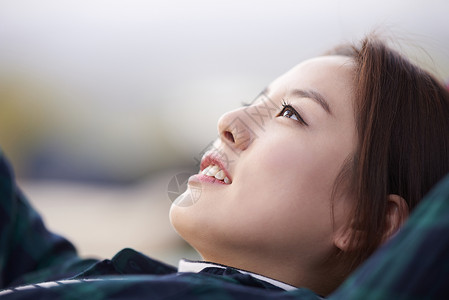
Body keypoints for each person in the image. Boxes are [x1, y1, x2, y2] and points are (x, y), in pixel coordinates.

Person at [1, 34, 449, 299]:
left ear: (369, 220)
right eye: (251, 103)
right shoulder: (105, 277)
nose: (228, 123)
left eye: (291, 114)